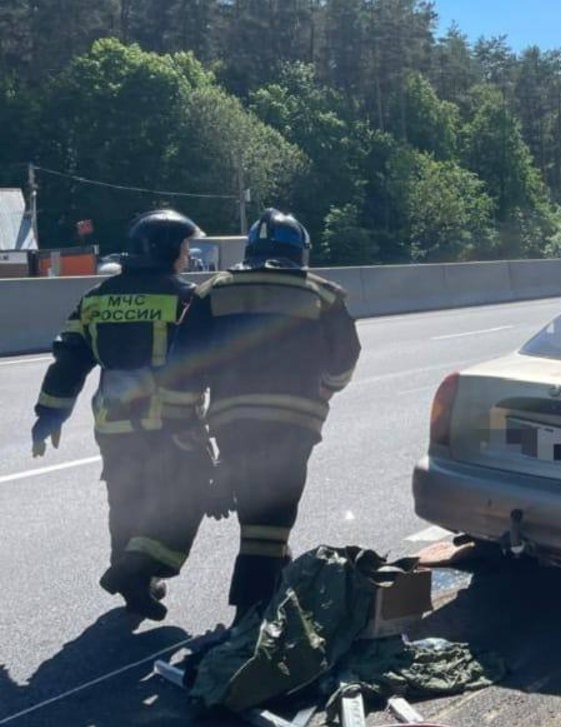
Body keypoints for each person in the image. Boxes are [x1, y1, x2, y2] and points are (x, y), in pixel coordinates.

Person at [159, 209, 361, 620]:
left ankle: (271, 595)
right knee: (269, 520)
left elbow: (182, 372)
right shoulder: (323, 294)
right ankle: (249, 619)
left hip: (233, 425)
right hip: (296, 422)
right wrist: (325, 389)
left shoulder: (211, 291)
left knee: (260, 515)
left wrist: (194, 441)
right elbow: (346, 358)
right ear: (300, 252)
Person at [29, 209, 210, 622]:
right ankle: (136, 570)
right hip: (170, 423)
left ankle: (135, 585)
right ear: (170, 250)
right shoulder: (187, 298)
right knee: (189, 491)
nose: (187, 255)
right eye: (185, 246)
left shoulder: (96, 298)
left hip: (113, 424)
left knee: (126, 501)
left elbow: (70, 359)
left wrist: (49, 415)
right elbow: (208, 356)